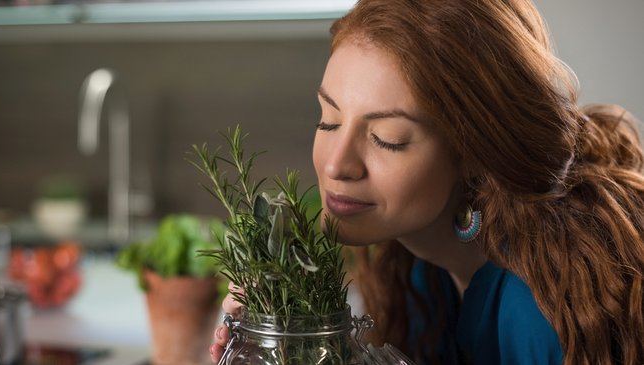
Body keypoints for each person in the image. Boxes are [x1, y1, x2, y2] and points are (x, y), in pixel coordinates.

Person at [211, 0, 644, 363]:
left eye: (388, 139)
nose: (337, 165)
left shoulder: (536, 313)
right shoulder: (417, 267)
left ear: (476, 153)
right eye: (328, 121)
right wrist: (285, 338)